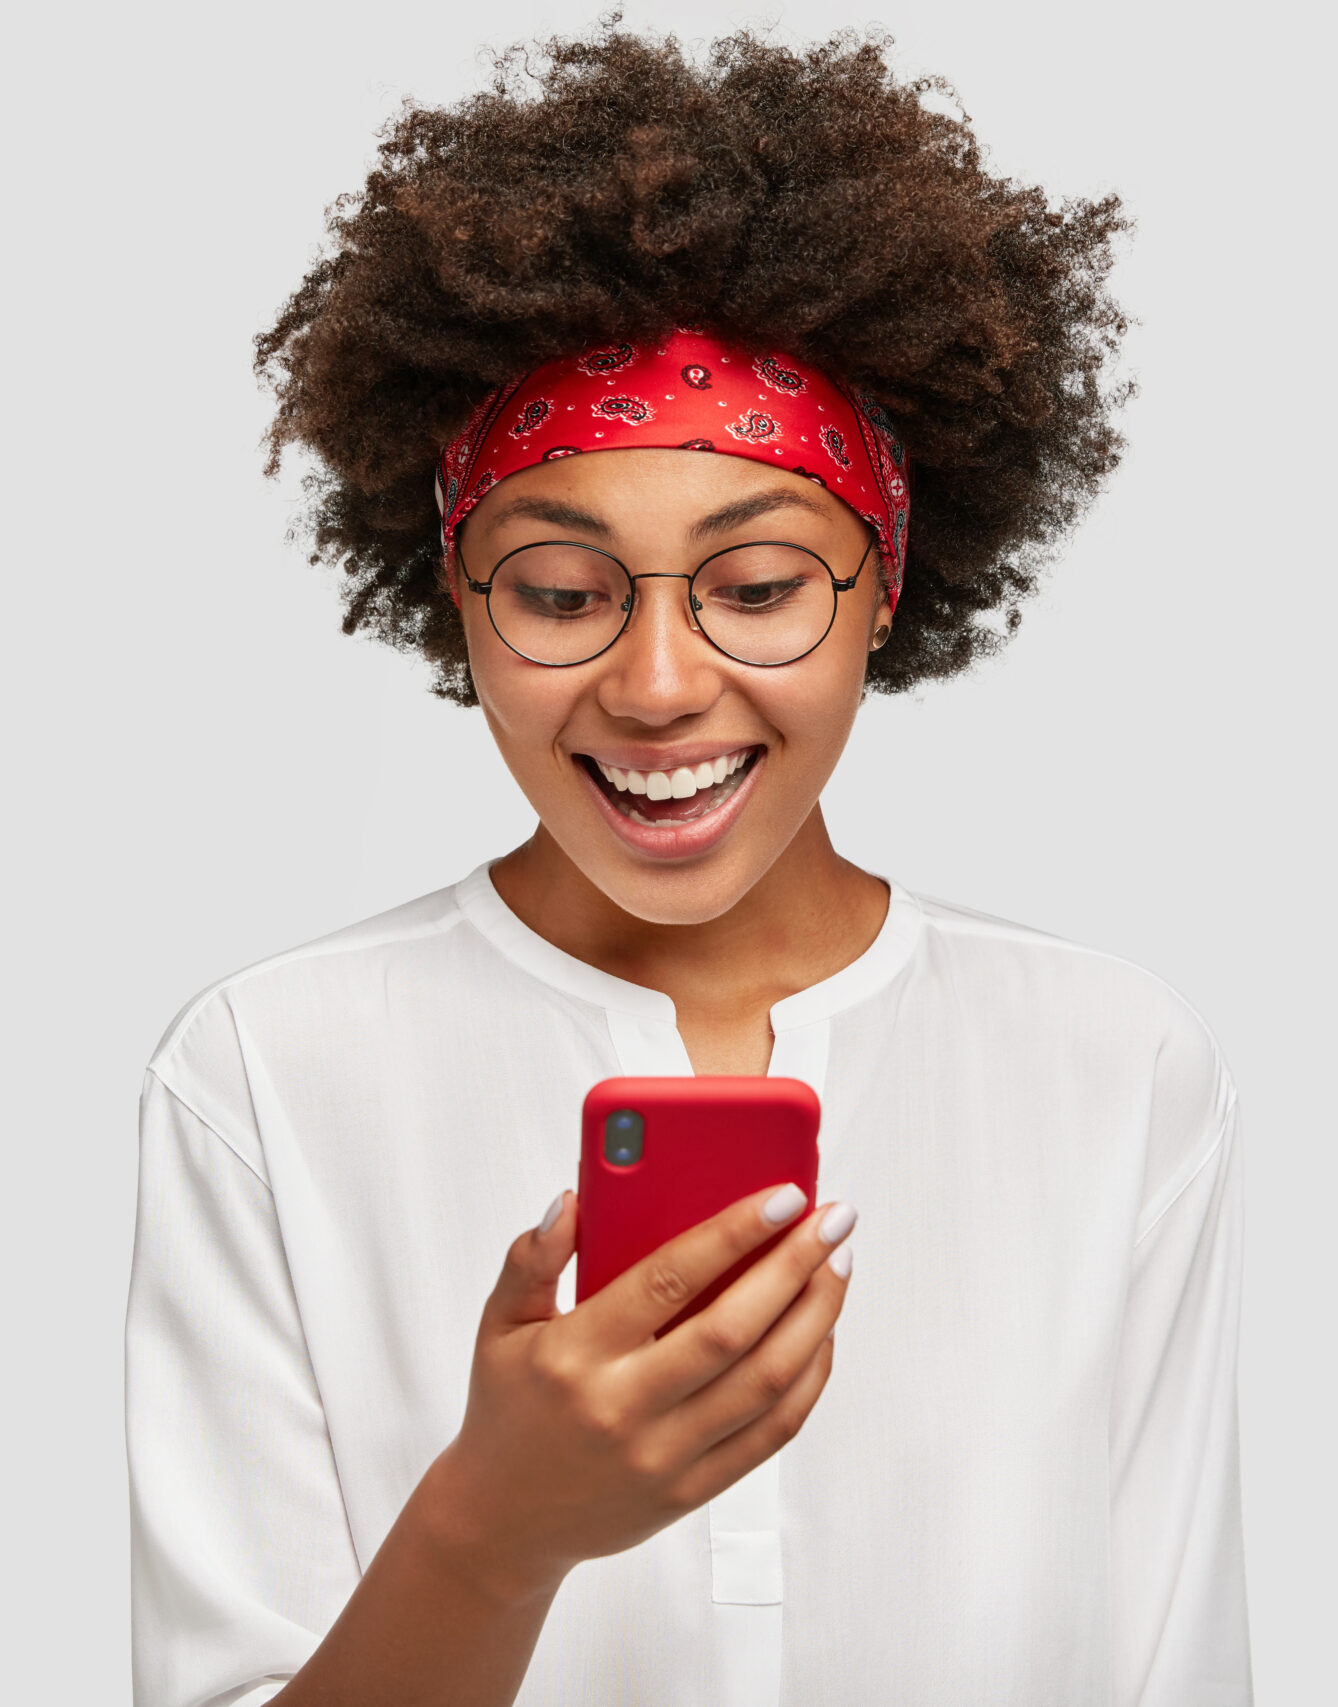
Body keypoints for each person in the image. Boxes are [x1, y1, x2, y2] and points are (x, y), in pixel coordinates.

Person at [124, 29, 1248, 1707]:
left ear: (885, 585)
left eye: (762, 583)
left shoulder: (1114, 1065)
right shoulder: (267, 1075)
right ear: (456, 601)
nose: (658, 687)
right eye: (566, 592)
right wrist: (490, 1532)